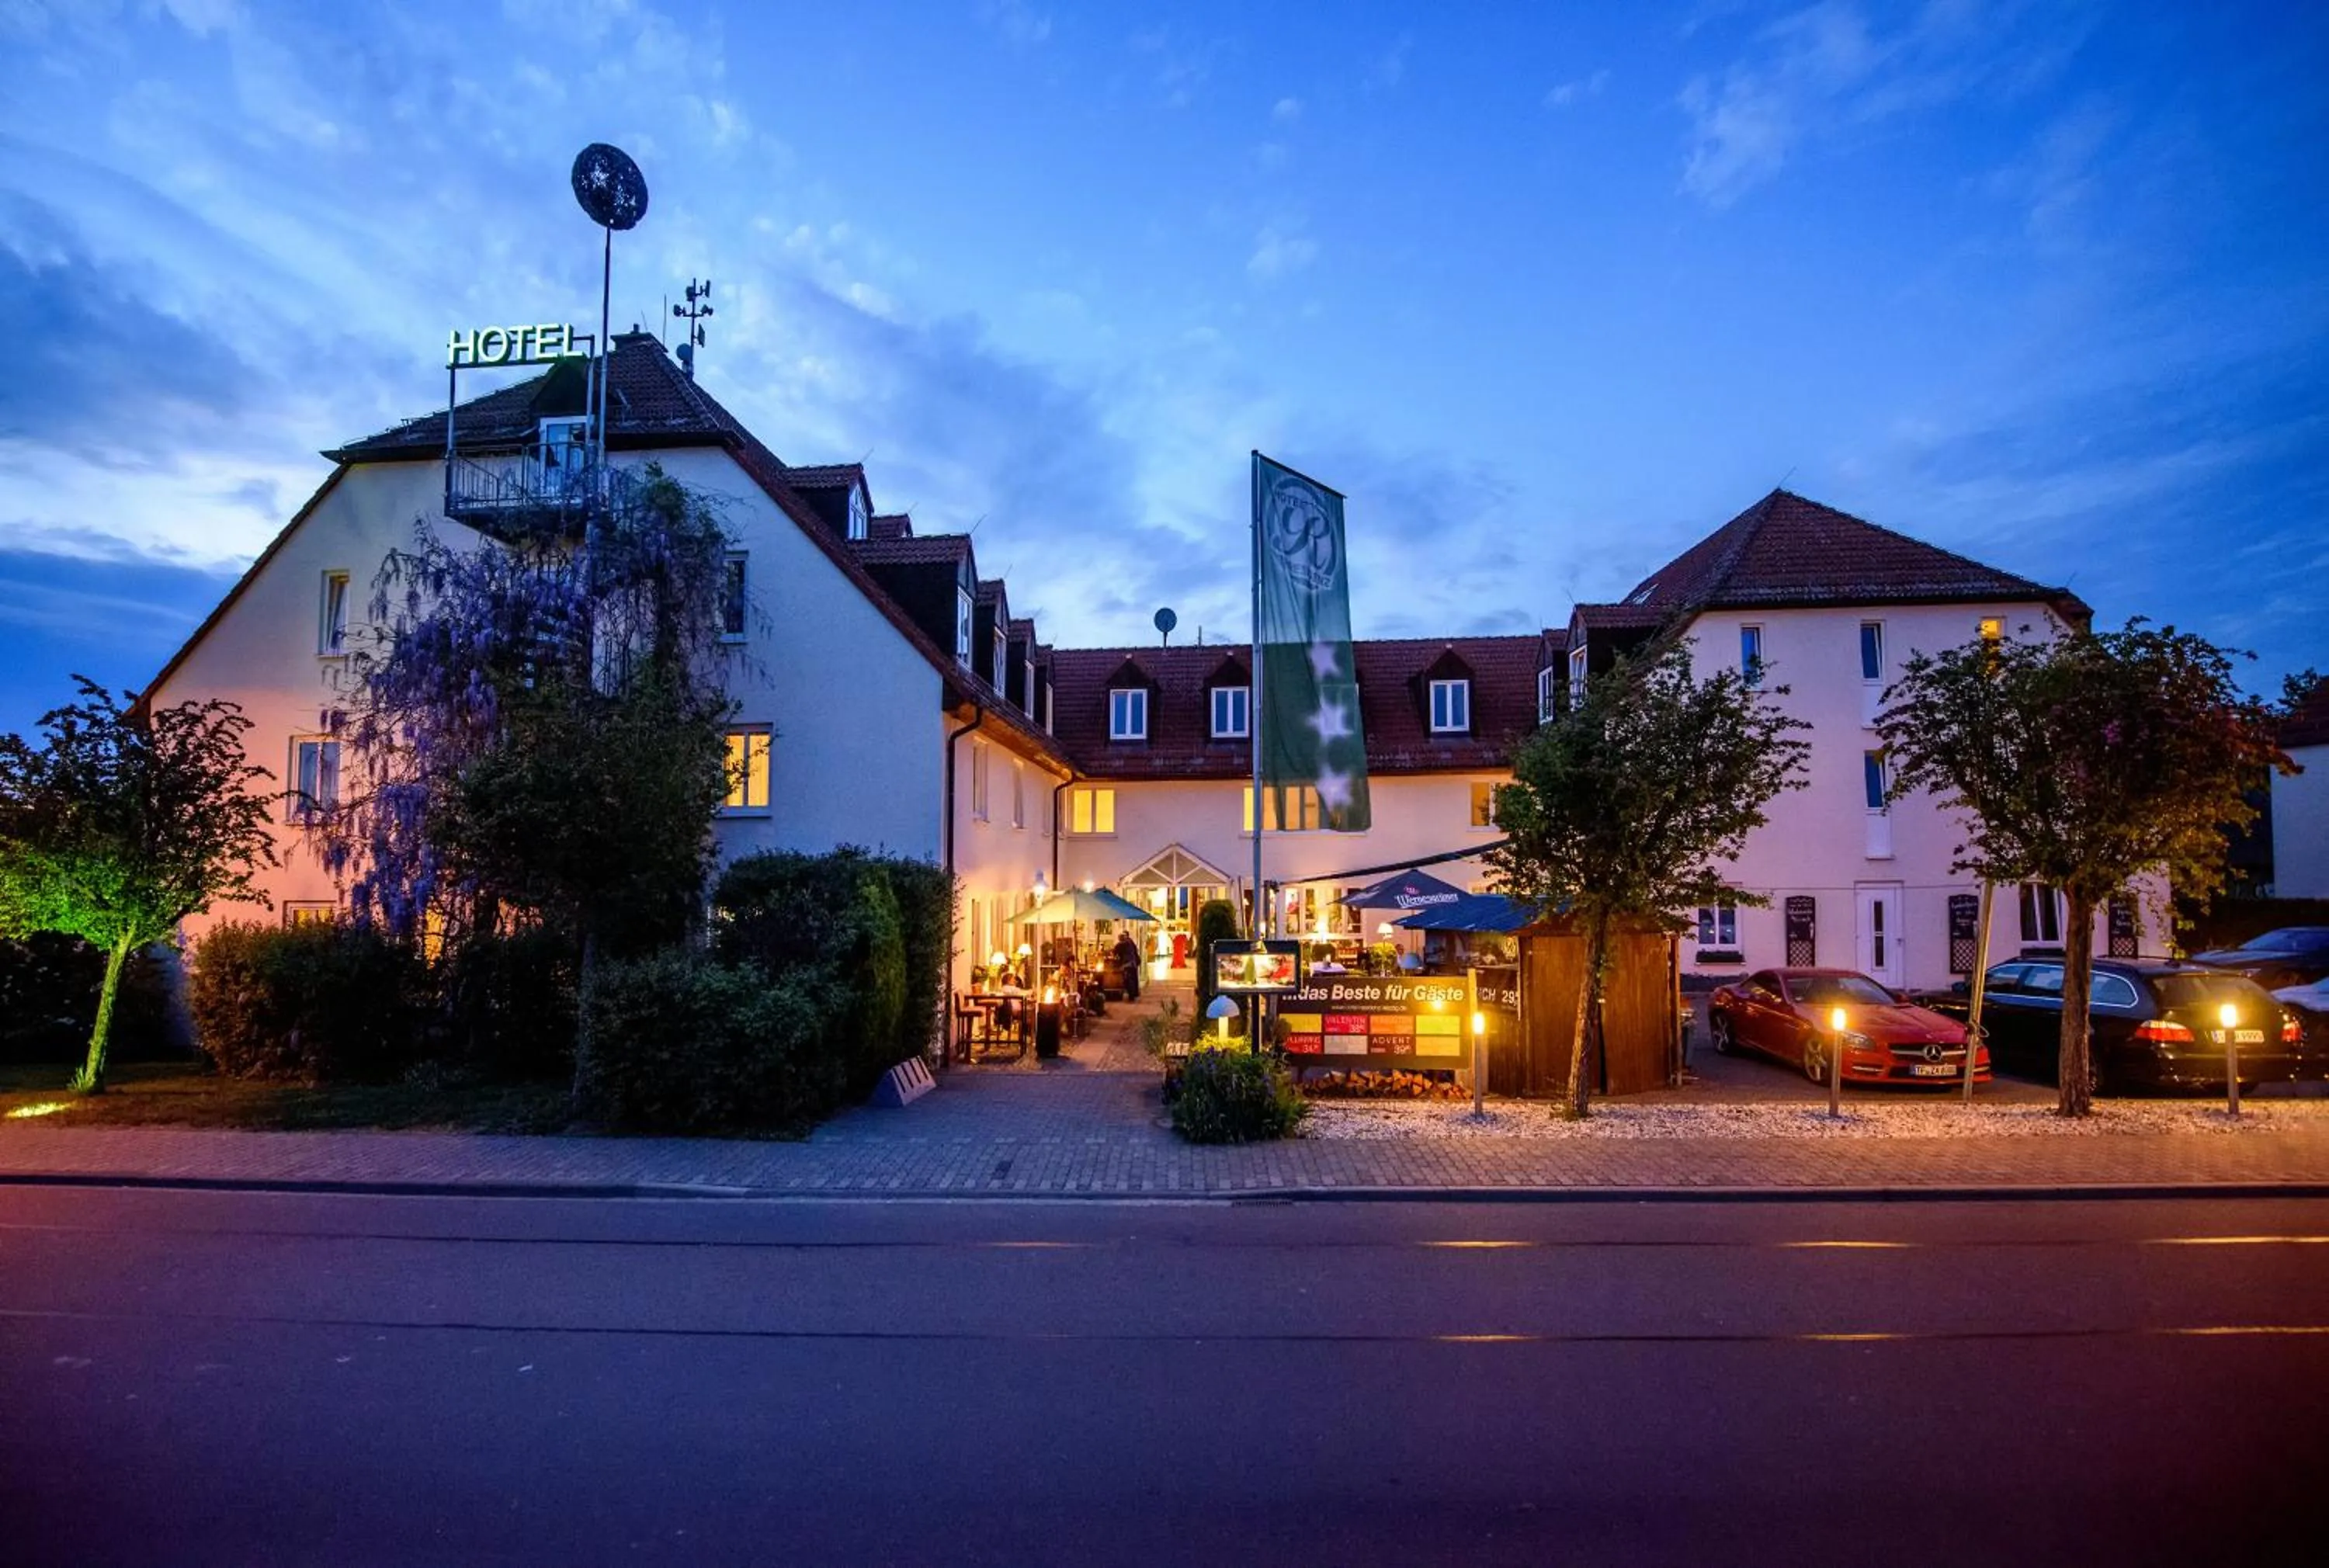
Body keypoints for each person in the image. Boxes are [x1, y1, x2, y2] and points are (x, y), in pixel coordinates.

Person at [1113, 931, 1143, 1001]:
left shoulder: (1125, 943)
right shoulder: (1130, 942)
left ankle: (1132, 995)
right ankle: (1134, 994)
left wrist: (1113, 953)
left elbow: (1116, 948)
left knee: (1129, 980)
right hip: (1133, 963)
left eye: (1120, 938)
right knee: (1133, 979)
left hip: (1128, 964)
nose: (1119, 940)